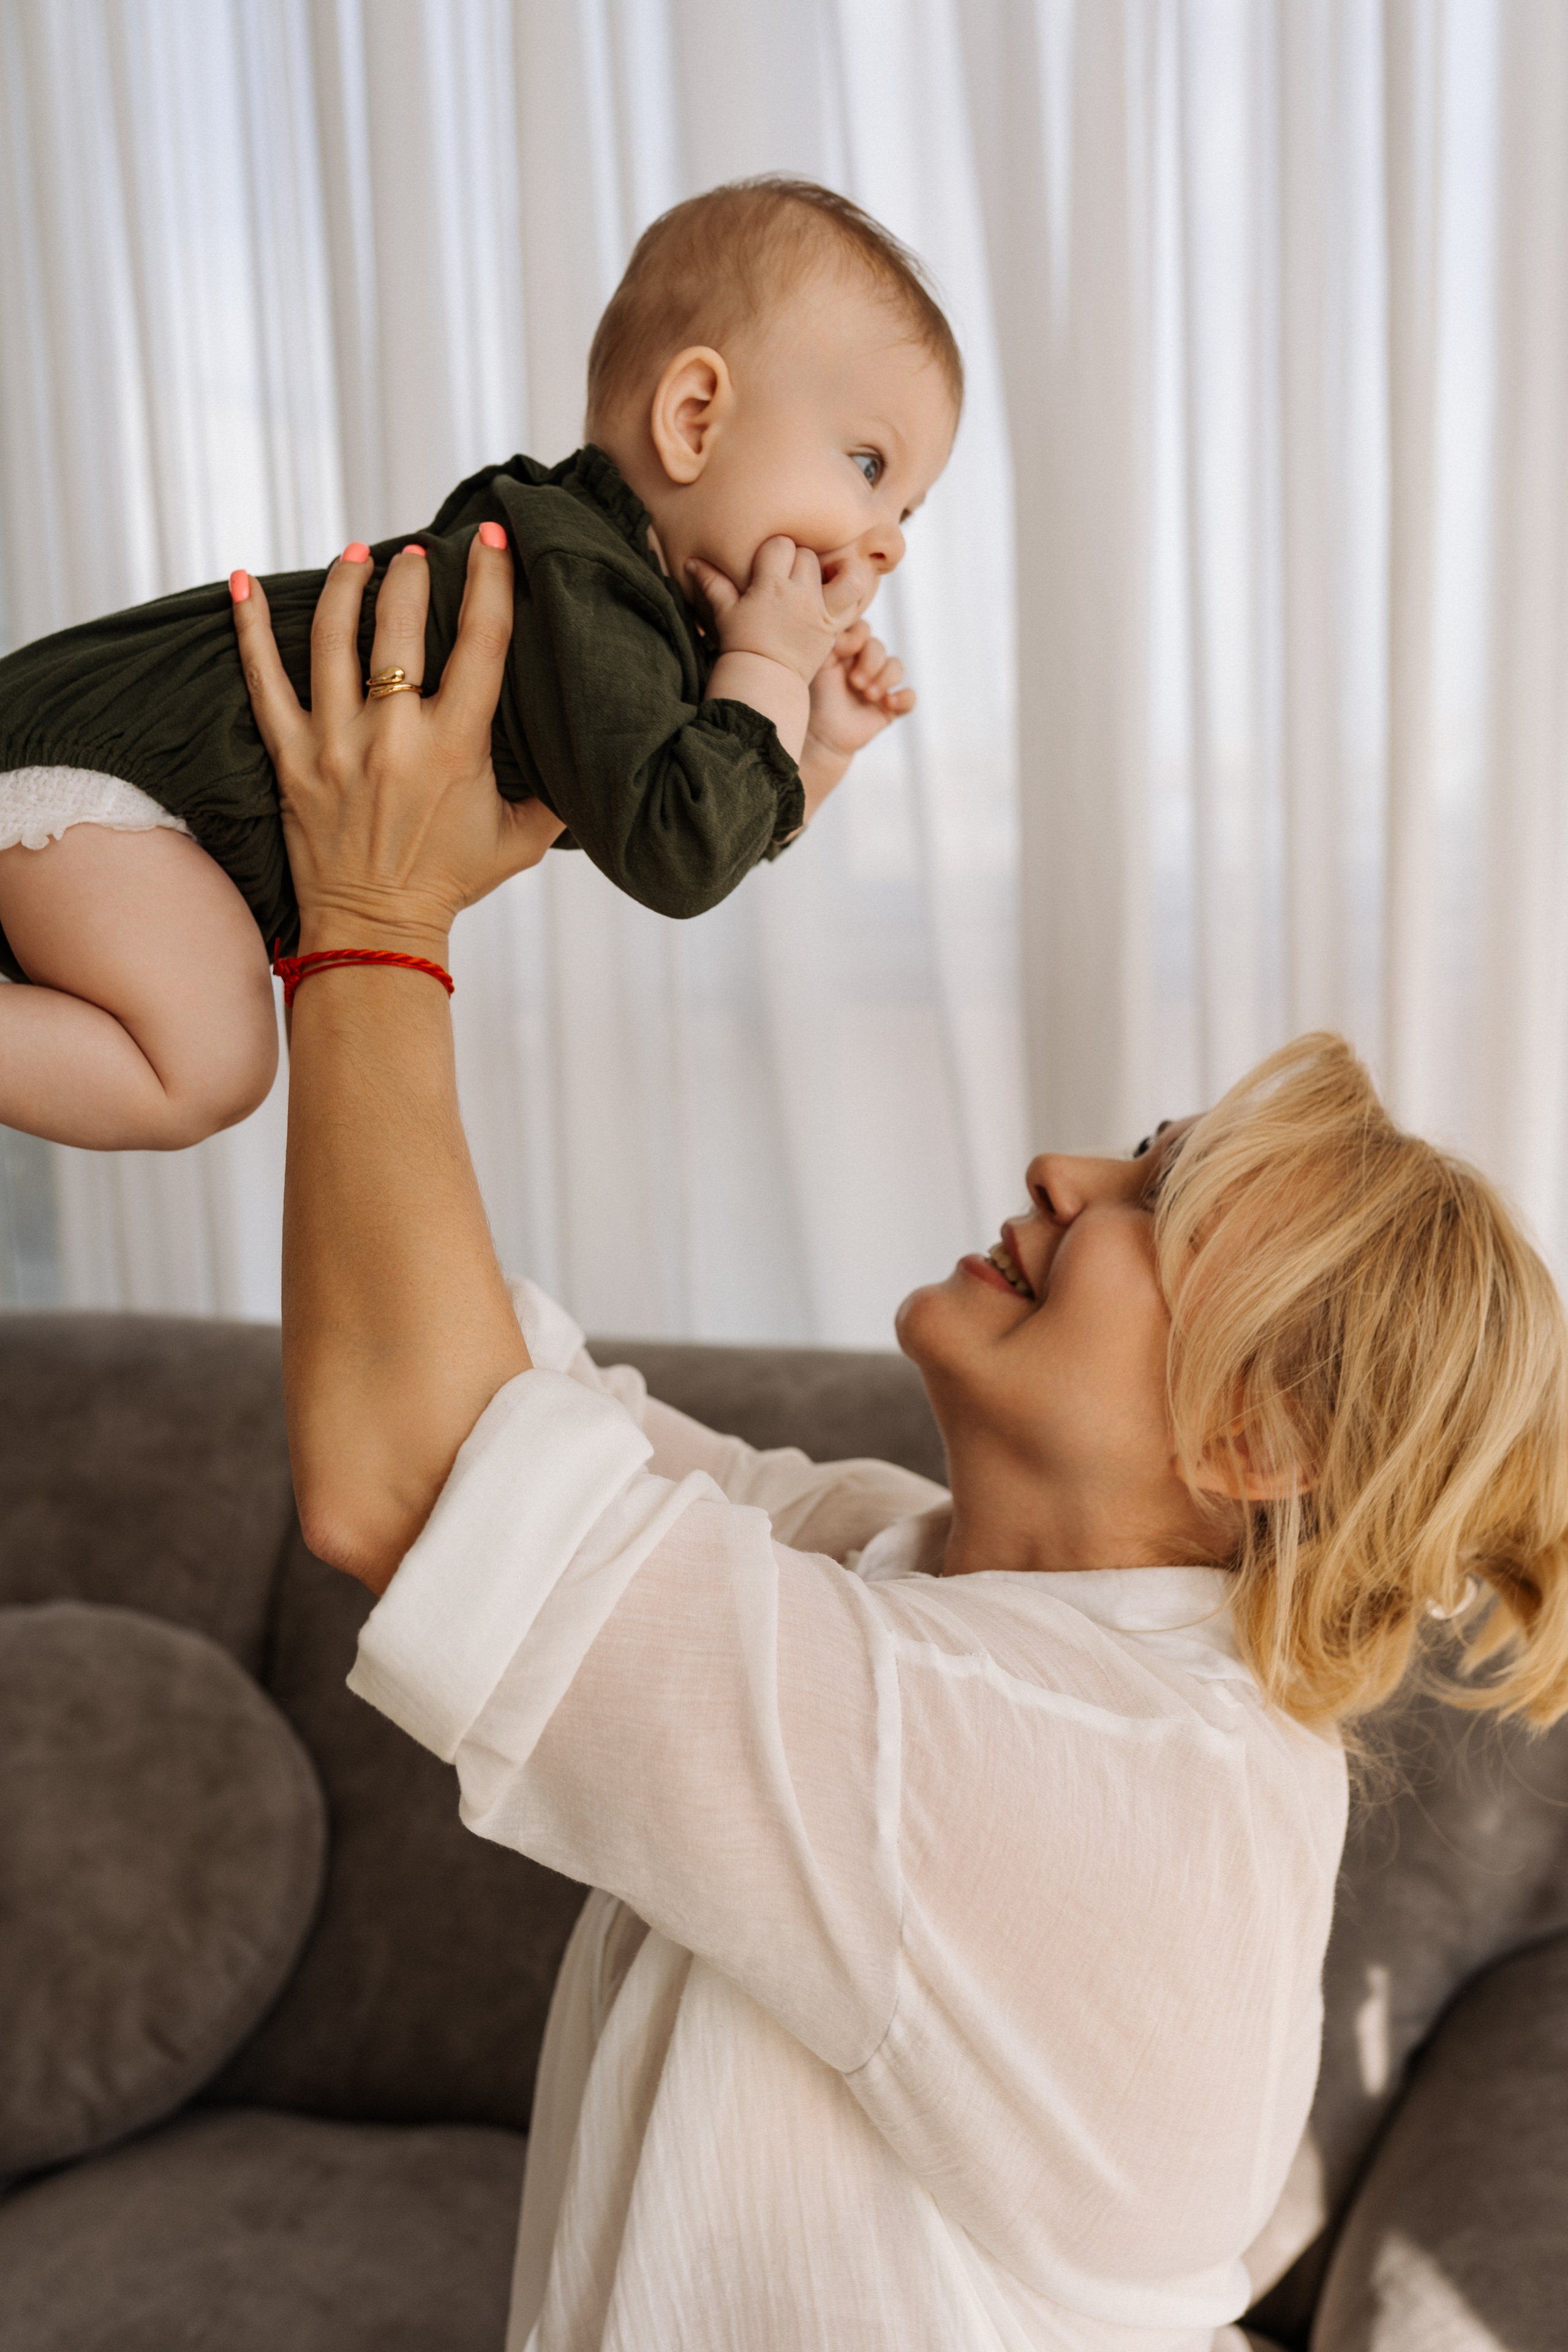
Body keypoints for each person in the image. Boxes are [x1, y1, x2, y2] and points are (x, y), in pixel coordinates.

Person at [233, 533, 1568, 2352]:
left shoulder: (1067, 1768)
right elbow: (499, 1419)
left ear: (1260, 1431)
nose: (1063, 1172)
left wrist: (374, 922)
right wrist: (512, 830)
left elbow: (407, 1477)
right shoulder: (922, 1573)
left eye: (1156, 1202)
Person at [0, 178, 958, 1150]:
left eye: (909, 511)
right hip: (117, 781)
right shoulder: (581, 584)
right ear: (696, 417)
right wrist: (766, 661)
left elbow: (700, 812)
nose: (889, 542)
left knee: (208, 1060)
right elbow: (682, 849)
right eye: (870, 468)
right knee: (208, 1065)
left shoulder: (614, 603)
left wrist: (819, 741)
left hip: (128, 794)